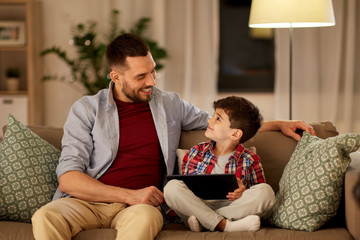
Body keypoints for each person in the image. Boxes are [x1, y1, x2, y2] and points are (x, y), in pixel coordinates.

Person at [31, 33, 316, 240]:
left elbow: (220, 124)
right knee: (45, 215)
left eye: (153, 71)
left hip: (142, 208)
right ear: (116, 77)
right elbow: (68, 177)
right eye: (141, 76)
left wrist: (279, 123)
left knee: (143, 222)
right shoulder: (86, 110)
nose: (152, 82)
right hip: (87, 204)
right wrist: (129, 194)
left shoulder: (168, 104)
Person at [164, 96, 275, 232]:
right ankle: (225, 225)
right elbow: (186, 189)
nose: (209, 120)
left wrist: (243, 191)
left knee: (266, 192)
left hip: (232, 207)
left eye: (217, 119)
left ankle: (207, 222)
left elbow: (257, 196)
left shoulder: (251, 159)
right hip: (197, 205)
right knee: (171, 187)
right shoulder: (195, 152)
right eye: (213, 116)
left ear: (235, 134)